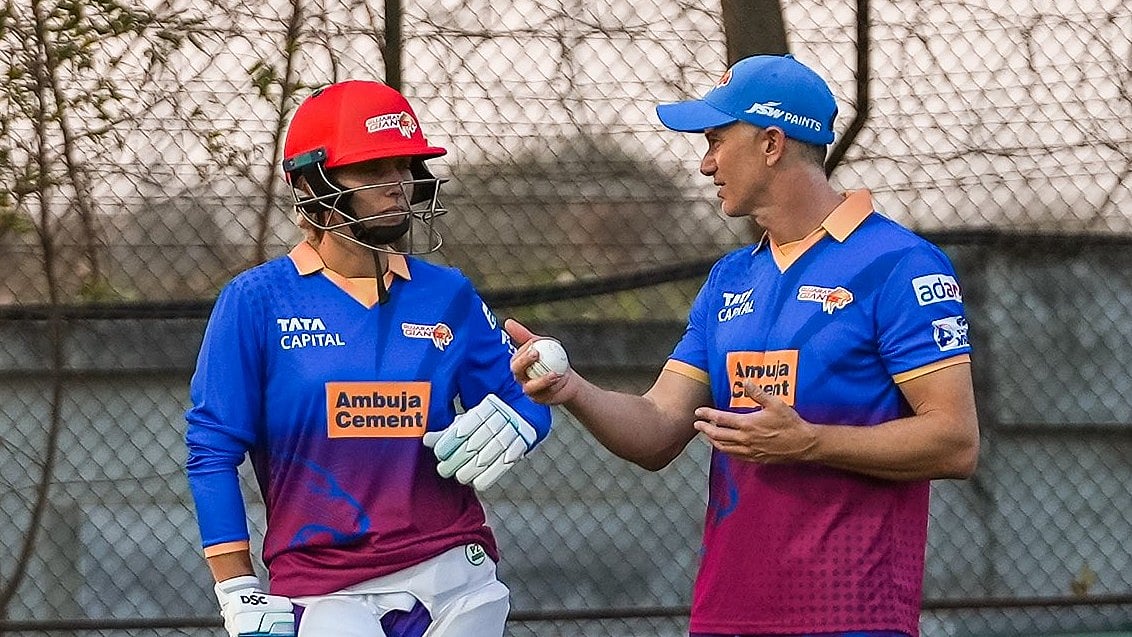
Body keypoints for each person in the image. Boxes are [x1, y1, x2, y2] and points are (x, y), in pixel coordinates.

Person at [506, 54, 979, 637]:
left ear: (772, 143)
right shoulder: (731, 278)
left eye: (715, 141)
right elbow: (658, 428)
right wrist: (572, 390)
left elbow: (955, 442)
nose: (705, 164)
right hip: (725, 615)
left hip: (852, 618)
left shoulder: (899, 265)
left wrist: (809, 443)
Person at [185, 79, 552, 637]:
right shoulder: (255, 301)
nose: (398, 184)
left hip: (455, 574)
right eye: (373, 169)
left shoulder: (448, 294)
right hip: (321, 591)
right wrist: (236, 588)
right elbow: (211, 450)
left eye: (403, 166)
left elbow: (520, 394)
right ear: (311, 182)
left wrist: (528, 411)